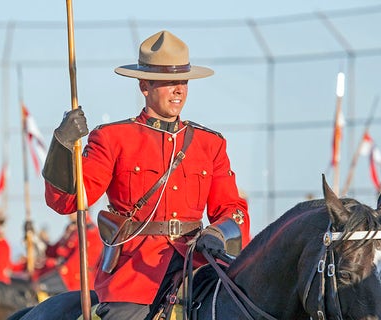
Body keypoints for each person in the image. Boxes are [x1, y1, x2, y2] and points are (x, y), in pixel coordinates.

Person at [43, 30, 250, 319]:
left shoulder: (210, 143)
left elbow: (232, 209)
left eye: (183, 81)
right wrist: (62, 147)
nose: (178, 90)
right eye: (168, 83)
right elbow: (67, 202)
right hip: (135, 273)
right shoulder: (113, 138)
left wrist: (217, 233)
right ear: (144, 85)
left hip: (198, 264)